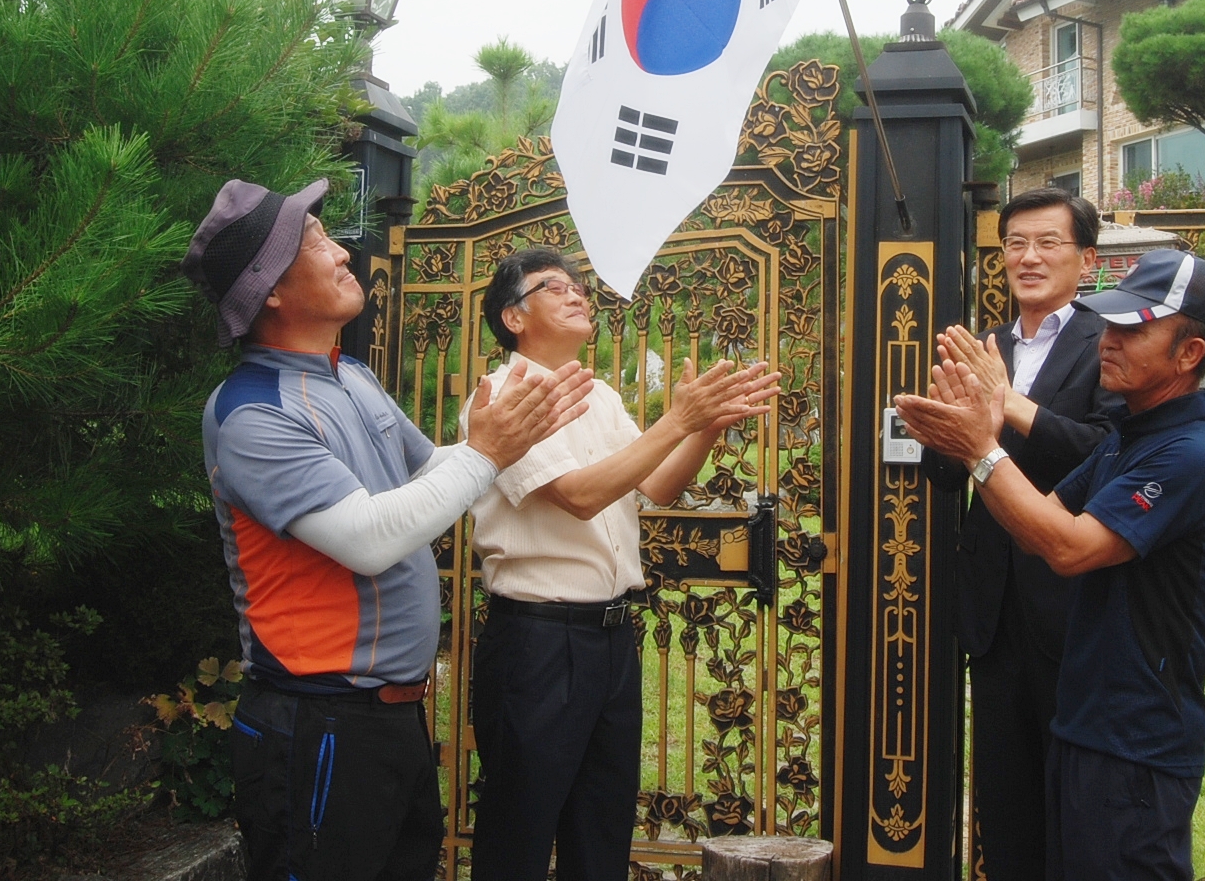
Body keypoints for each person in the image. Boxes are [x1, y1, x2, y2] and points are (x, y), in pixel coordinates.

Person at [183, 178, 595, 881]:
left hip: (393, 721)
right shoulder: (251, 415)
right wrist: (487, 453)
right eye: (313, 241)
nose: (342, 251)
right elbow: (370, 539)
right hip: (317, 726)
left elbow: (436, 471)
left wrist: (509, 444)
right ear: (269, 291)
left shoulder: (352, 380)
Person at [894, 248, 1205, 881]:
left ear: (1189, 354)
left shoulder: (1192, 454)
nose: (1109, 341)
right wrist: (973, 438)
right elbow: (1038, 523)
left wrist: (983, 448)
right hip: (1086, 721)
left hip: (1137, 740)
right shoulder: (1130, 439)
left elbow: (1070, 546)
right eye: (1108, 324)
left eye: (1133, 330)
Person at [463, 247, 781, 881]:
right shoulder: (500, 400)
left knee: (601, 826)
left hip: (609, 638)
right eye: (553, 287)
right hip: (536, 640)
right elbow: (580, 495)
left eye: (579, 286)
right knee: (519, 830)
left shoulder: (601, 395)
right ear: (514, 317)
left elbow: (658, 483)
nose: (577, 294)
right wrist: (678, 418)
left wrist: (706, 425)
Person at [919, 186, 1118, 881]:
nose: (1027, 259)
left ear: (1085, 258)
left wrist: (1009, 407)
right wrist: (943, 431)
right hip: (993, 606)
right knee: (1004, 804)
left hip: (1073, 602)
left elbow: (1105, 452)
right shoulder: (985, 347)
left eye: (1047, 244)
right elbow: (949, 477)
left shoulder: (1109, 344)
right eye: (1014, 245)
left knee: (1078, 800)